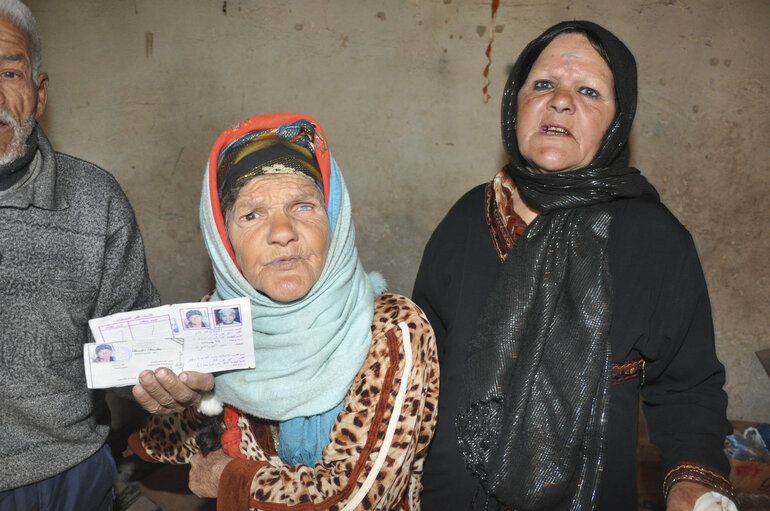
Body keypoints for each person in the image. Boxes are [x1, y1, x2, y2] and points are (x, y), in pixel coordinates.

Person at [412, 21, 736, 511]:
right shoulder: (466, 219)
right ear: (514, 102)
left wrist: (693, 488)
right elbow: (420, 368)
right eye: (543, 84)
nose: (561, 101)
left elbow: (688, 387)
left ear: (616, 121)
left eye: (588, 91)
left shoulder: (654, 240)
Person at [128, 113, 439, 510]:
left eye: (303, 206)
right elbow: (169, 447)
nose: (281, 232)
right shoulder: (216, 321)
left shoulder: (391, 331)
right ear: (225, 240)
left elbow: (359, 498)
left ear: (335, 222)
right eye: (251, 214)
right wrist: (184, 400)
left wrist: (230, 478)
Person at [0, 1, 160, 510]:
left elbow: (141, 346)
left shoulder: (94, 200)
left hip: (63, 476)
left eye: (8, 71)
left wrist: (179, 377)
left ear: (39, 94)